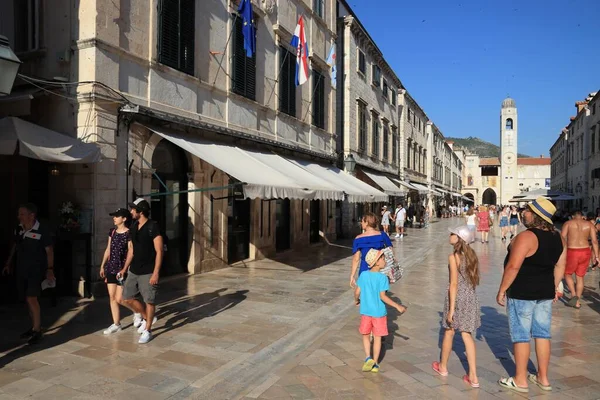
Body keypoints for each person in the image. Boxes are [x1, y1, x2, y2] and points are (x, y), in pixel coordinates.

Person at [496, 197, 566, 394]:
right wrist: (554, 287)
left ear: (536, 216)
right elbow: (561, 264)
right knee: (543, 334)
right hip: (545, 292)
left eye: (527, 210)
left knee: (521, 335)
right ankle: (543, 378)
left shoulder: (526, 237)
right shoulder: (559, 237)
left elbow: (513, 266)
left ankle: (520, 380)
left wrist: (502, 289)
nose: (523, 212)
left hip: (522, 292)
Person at [432, 225, 480, 388]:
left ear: (459, 239)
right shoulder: (472, 255)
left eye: (452, 234)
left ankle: (443, 366)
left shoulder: (453, 257)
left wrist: (451, 309)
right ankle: (473, 376)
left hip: (457, 297)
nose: (450, 235)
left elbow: (453, 283)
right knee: (467, 334)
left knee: (449, 331)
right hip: (470, 297)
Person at [2, 203, 54, 345]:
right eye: (19, 214)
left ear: (32, 215)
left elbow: (49, 251)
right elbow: (15, 246)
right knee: (27, 299)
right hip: (21, 269)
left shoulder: (42, 230)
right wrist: (8, 263)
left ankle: (37, 330)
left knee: (32, 298)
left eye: (22, 214)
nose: (19, 217)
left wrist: (50, 269)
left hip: (35, 271)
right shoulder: (19, 229)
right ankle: (34, 327)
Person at [354, 248, 406, 373]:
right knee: (377, 338)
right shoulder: (383, 278)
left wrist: (357, 300)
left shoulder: (363, 275)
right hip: (378, 313)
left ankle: (367, 357)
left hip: (366, 312)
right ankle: (376, 363)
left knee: (366, 336)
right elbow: (382, 296)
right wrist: (397, 306)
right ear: (376, 262)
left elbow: (357, 292)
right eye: (382, 258)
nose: (385, 260)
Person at [122, 198, 164, 344]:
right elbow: (131, 250)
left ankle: (148, 330)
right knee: (126, 298)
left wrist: (156, 272)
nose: (131, 211)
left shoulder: (153, 226)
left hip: (148, 270)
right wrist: (124, 268)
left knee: (149, 300)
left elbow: (159, 251)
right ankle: (147, 317)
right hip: (134, 269)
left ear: (141, 211)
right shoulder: (134, 226)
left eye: (133, 209)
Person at [99, 208, 133, 334]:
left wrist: (126, 268)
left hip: (122, 269)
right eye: (114, 216)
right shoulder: (112, 232)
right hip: (111, 267)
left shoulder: (129, 233)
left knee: (120, 299)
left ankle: (138, 312)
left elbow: (131, 251)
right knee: (112, 297)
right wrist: (102, 265)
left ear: (124, 218)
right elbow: (108, 249)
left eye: (117, 216)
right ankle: (116, 323)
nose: (114, 218)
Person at [561, 210, 600, 309]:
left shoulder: (568, 223)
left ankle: (574, 295)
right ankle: (577, 301)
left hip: (572, 251)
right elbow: (595, 241)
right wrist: (597, 257)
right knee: (580, 277)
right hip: (585, 251)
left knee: (567, 274)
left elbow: (562, 238)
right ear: (582, 216)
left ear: (573, 216)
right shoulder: (589, 224)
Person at [350, 212, 392, 288]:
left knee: (365, 293)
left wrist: (352, 276)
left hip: (365, 270)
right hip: (380, 268)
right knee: (380, 293)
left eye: (362, 221)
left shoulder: (358, 239)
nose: (361, 223)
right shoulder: (382, 235)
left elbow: (356, 259)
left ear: (367, 223)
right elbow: (390, 252)